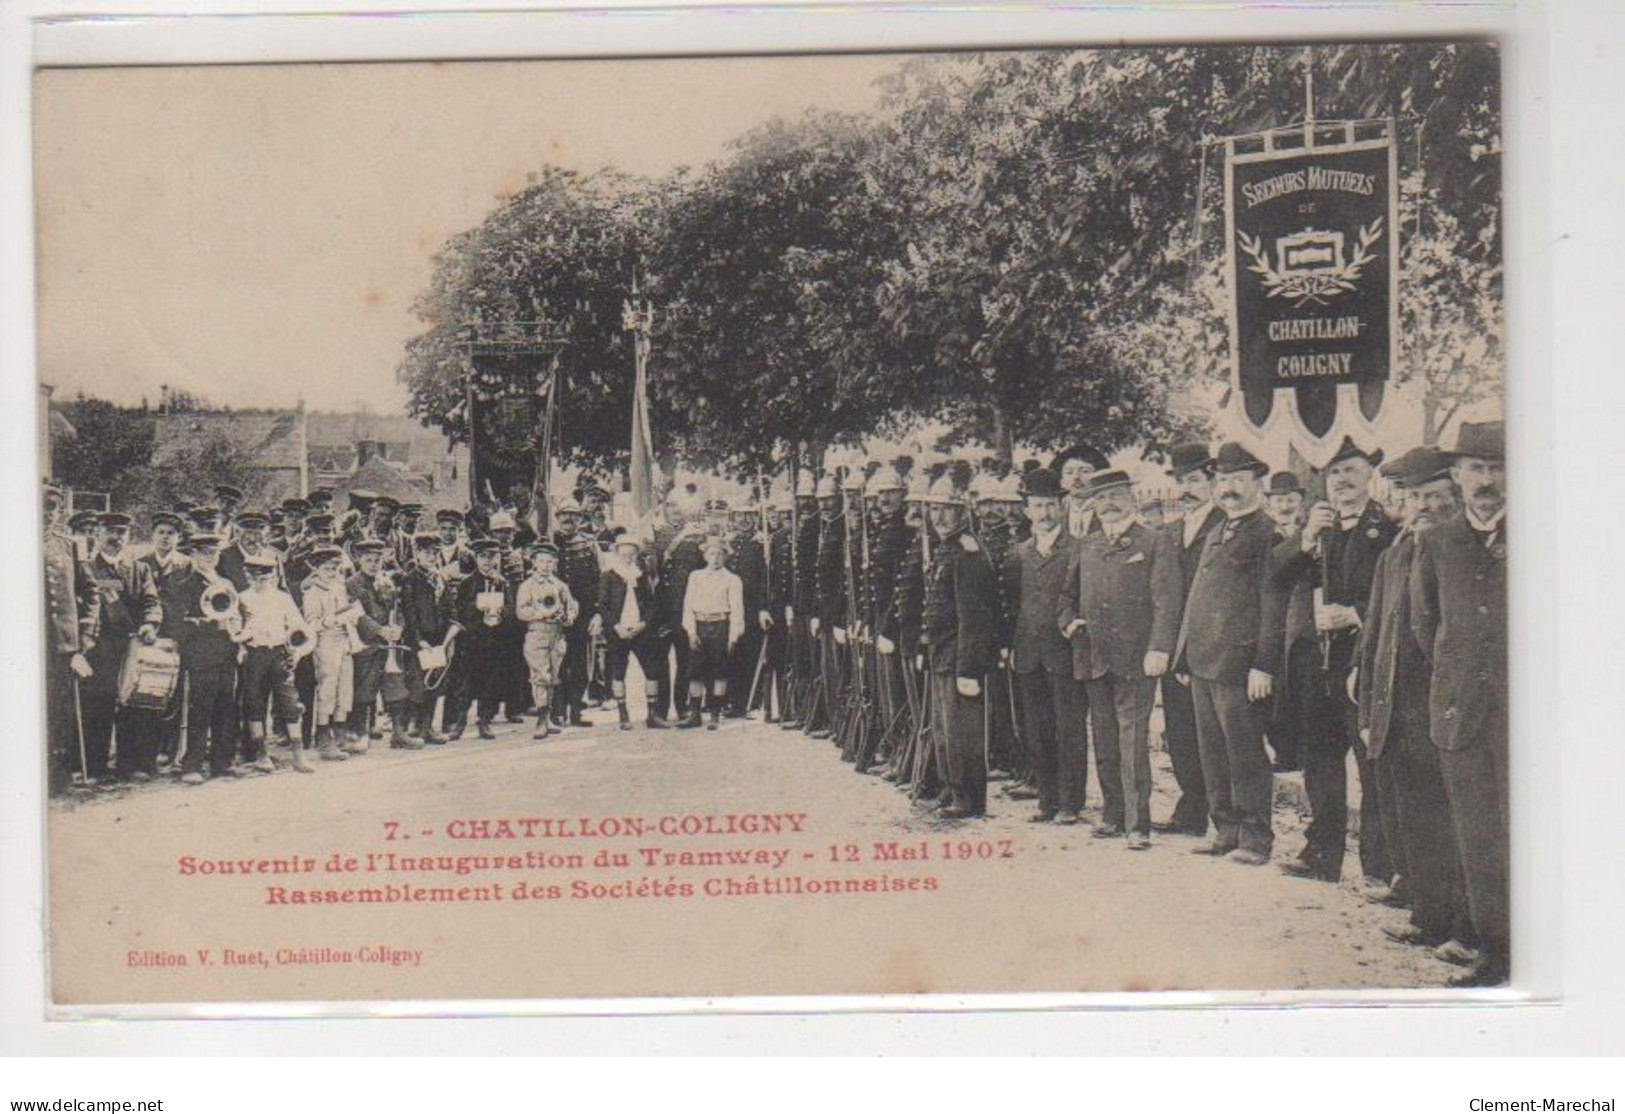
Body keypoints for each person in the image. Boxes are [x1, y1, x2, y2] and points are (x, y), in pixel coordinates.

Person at [1353, 447, 1474, 965]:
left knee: (1455, 821)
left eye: (1433, 497)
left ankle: (1467, 926)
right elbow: (1377, 625)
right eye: (1413, 497)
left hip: (1442, 708)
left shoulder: (1459, 551)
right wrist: (1361, 672)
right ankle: (1427, 915)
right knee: (1414, 816)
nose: (1422, 506)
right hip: (1394, 706)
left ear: (1454, 497)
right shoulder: (1396, 552)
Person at [1409, 420, 1509, 988]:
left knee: (1524, 829)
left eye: (1497, 469)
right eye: (1476, 469)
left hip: (1524, 714)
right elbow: (1427, 625)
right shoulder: (1439, 539)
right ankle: (1494, 953)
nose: (1487, 480)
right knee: (1476, 835)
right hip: (1461, 710)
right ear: (1457, 476)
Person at [1274, 437, 1397, 885]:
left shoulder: (1385, 529)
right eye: (1334, 473)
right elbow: (1277, 575)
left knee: (1370, 763)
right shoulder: (1318, 530)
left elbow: (1395, 593)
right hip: (1317, 664)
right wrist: (1305, 538)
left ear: (1370, 475)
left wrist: (1357, 614)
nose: (1342, 480)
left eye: (1351, 470)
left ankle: (1379, 866)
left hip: (1359, 663)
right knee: (1320, 762)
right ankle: (1321, 855)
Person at [1172, 443, 1286, 865]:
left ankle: (1255, 837)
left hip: (1237, 665)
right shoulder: (1219, 530)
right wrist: (1183, 657)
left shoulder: (1267, 534)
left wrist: (1263, 663)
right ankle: (1225, 830)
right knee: (1214, 752)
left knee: (1245, 753)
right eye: (1223, 480)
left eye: (1239, 480)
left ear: (1257, 483)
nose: (1229, 488)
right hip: (1203, 661)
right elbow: (1196, 600)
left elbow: (1273, 604)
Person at [1059, 470, 1183, 849]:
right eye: (1100, 497)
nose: (1108, 504)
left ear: (1131, 497)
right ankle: (1112, 816)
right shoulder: (1088, 544)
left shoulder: (1155, 541)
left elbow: (1167, 600)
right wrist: (1068, 623)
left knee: (1132, 741)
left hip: (1135, 660)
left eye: (1115, 495)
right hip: (1093, 656)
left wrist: (1159, 648)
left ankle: (1137, 825)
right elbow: (1066, 597)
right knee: (1105, 739)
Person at [1003, 467, 1085, 824]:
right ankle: (1046, 800)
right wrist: (1008, 646)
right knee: (1036, 729)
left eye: (1051, 505)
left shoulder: (1077, 550)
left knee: (1068, 728)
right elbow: (1008, 604)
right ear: (1027, 510)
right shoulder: (1018, 553)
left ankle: (1070, 803)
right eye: (1038, 506)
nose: (1045, 513)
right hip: (1028, 654)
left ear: (1061, 507)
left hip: (1064, 654)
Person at [919, 469, 998, 819]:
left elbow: (974, 616)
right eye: (934, 510)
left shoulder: (967, 551)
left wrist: (969, 667)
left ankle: (968, 797)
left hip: (959, 656)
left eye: (947, 509)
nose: (939, 516)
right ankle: (952, 789)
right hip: (941, 653)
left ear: (962, 512)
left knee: (962, 731)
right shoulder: (946, 548)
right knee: (944, 730)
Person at [1157, 442, 1225, 835]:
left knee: (1211, 732)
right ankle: (1191, 807)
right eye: (1181, 481)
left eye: (1195, 480)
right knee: (1179, 728)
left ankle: (1222, 814)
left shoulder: (1222, 523)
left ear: (1212, 482)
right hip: (1173, 645)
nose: (1187, 489)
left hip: (1208, 642)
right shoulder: (1169, 531)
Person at [80, 513, 163, 783]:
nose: (116, 538)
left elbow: (152, 601)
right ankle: (96, 767)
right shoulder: (87, 568)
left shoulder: (140, 569)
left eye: (121, 532)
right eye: (110, 532)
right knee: (99, 706)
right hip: (100, 646)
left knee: (134, 705)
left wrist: (150, 623)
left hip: (133, 645)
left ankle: (129, 765)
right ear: (98, 534)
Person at [172, 533, 243, 784]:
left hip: (227, 652)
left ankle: (221, 763)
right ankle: (191, 764)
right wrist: (210, 624)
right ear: (193, 554)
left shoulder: (226, 583)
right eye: (203, 553)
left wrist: (236, 627)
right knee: (201, 708)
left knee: (226, 707)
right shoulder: (185, 584)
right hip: (202, 654)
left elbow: (238, 612)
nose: (209, 557)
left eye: (213, 553)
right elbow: (179, 623)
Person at [43, 485, 99, 795]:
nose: (47, 515)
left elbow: (90, 591)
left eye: (52, 509)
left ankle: (58, 778)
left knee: (59, 711)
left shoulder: (68, 546)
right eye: (41, 508)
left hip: (62, 646)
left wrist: (87, 631)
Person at [237, 551, 315, 773]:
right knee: (254, 703)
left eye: (267, 579)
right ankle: (261, 754)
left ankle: (298, 756)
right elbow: (235, 631)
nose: (263, 583)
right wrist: (243, 642)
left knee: (290, 703)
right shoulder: (242, 598)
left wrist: (297, 652)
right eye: (257, 579)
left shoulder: (282, 598)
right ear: (248, 577)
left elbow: (299, 627)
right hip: (255, 655)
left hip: (279, 654)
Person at [137, 510, 193, 768]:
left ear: (179, 538)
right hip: (147, 636)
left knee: (173, 694)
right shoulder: (140, 563)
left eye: (171, 534)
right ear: (152, 535)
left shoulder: (186, 565)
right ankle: (145, 751)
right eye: (161, 533)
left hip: (175, 638)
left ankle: (169, 751)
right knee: (145, 691)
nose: (165, 538)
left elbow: (192, 601)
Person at [347, 539, 416, 750]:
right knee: (364, 692)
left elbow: (398, 609)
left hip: (389, 647)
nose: (373, 564)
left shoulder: (387, 582)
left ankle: (399, 733)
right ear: (359, 560)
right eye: (368, 560)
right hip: (366, 646)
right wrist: (380, 631)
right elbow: (358, 616)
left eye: (377, 560)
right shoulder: (351, 584)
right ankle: (360, 735)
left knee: (396, 689)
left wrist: (398, 628)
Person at [599, 530, 669, 731]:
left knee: (652, 670)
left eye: (632, 554)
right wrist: (616, 627)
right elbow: (603, 606)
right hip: (618, 631)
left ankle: (652, 714)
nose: (628, 558)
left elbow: (651, 603)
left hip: (641, 631)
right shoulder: (609, 575)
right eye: (624, 554)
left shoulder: (642, 574)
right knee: (619, 671)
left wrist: (644, 624)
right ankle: (623, 714)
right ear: (617, 554)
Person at [451, 538, 520, 740]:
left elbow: (511, 610)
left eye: (491, 557)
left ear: (497, 558)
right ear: (476, 558)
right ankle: (460, 723)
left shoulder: (502, 583)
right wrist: (477, 608)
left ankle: (484, 721)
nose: (487, 562)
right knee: (465, 684)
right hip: (472, 641)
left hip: (494, 641)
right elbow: (458, 610)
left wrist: (501, 615)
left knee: (489, 682)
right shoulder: (467, 583)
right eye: (482, 557)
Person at [1262, 471, 1307, 773]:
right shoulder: (1266, 534)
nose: (1285, 505)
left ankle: (1296, 749)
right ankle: (1282, 749)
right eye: (1279, 499)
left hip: (1301, 617)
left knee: (1297, 685)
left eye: (1290, 499)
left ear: (1300, 502)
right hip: (1272, 616)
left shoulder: (1309, 532)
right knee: (1273, 687)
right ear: (1270, 503)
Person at [300, 544, 361, 758]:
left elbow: (345, 609)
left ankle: (340, 735)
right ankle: (324, 740)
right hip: (325, 642)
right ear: (316, 569)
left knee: (344, 688)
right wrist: (335, 619)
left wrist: (351, 615)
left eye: (334, 569)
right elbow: (311, 623)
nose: (331, 573)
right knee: (327, 689)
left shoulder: (338, 586)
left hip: (344, 640)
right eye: (326, 569)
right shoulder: (312, 592)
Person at [517, 542, 580, 740]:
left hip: (557, 634)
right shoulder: (527, 585)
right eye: (541, 561)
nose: (545, 565)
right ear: (534, 562)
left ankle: (549, 717)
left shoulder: (560, 585)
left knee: (553, 677)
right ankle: (541, 719)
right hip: (537, 633)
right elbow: (521, 611)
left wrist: (568, 617)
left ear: (555, 564)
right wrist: (543, 613)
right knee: (540, 676)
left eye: (549, 562)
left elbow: (572, 606)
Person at [550, 499, 602, 729]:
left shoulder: (590, 545)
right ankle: (556, 712)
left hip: (583, 614)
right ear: (557, 517)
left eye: (573, 516)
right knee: (556, 662)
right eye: (564, 515)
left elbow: (600, 580)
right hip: (554, 613)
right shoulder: (549, 543)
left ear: (580, 519)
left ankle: (576, 711)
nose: (568, 520)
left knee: (580, 663)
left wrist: (597, 613)